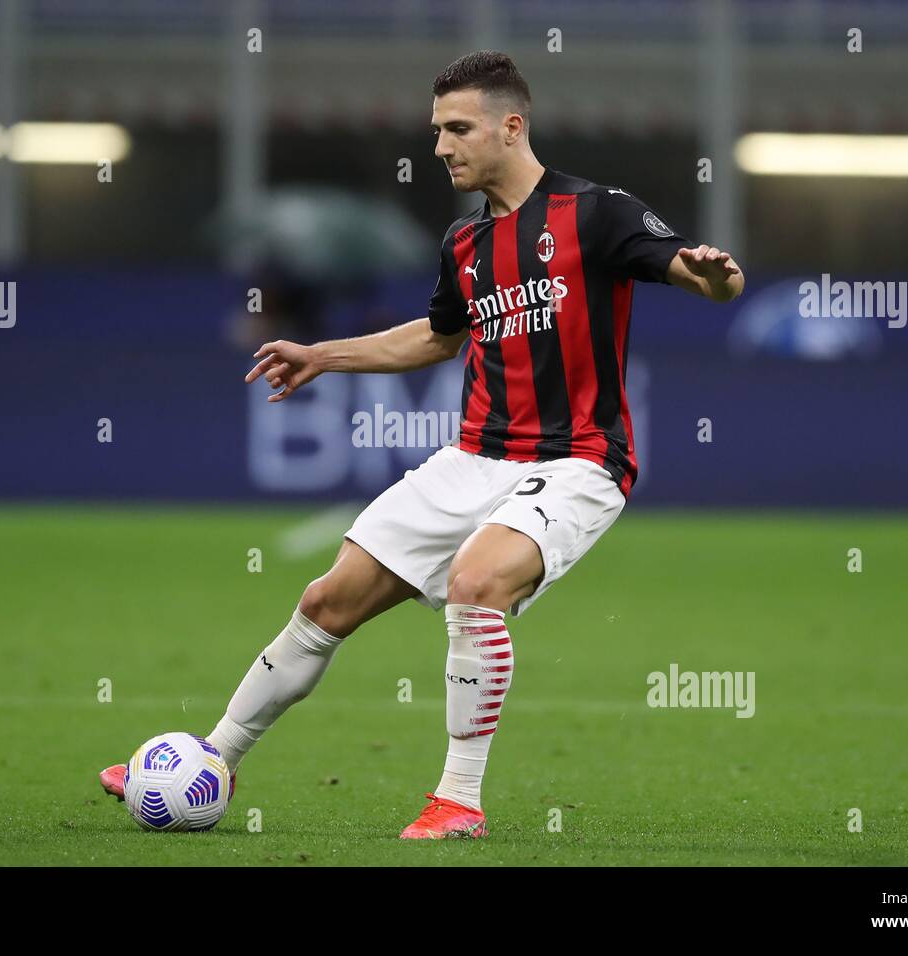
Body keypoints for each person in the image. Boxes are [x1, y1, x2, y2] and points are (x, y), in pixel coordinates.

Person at [100, 50, 744, 839]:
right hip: (473, 458)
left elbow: (703, 276)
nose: (440, 146)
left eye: (457, 128)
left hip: (579, 459)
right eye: (437, 129)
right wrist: (322, 354)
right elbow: (440, 339)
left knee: (478, 583)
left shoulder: (596, 212)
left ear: (511, 128)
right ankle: (214, 757)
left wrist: (716, 275)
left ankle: (458, 803)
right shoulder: (465, 245)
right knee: (324, 602)